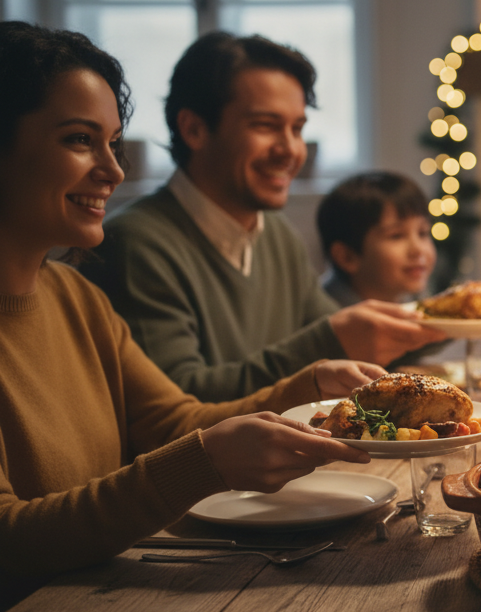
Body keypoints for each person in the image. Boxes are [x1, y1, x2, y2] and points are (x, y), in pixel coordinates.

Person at [0, 22, 379, 605]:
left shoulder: (76, 298)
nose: (114, 170)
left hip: (105, 606)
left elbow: (178, 421)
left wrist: (312, 383)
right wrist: (203, 464)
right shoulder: (135, 249)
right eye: (80, 139)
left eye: (113, 143)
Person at [82, 32, 447, 402]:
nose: (290, 150)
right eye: (265, 126)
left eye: (298, 128)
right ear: (194, 129)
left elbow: (341, 337)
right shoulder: (135, 245)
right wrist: (334, 340)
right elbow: (178, 407)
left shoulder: (275, 232)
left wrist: (453, 319)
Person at [316, 171, 437, 307]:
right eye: (396, 236)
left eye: (423, 233)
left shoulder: (411, 302)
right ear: (347, 257)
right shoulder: (328, 317)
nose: (418, 249)